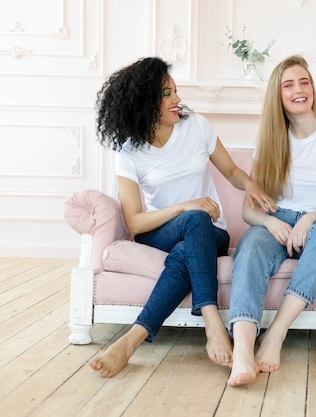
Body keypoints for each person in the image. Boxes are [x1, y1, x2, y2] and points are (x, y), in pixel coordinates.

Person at [88, 57, 275, 377]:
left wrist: (251, 185)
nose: (177, 100)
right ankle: (214, 322)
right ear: (145, 102)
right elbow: (134, 222)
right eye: (167, 93)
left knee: (192, 235)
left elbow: (230, 171)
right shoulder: (129, 151)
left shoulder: (197, 126)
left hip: (209, 233)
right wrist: (182, 206)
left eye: (176, 91)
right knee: (193, 217)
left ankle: (130, 342)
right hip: (159, 232)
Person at [227, 55, 316, 386]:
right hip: (279, 222)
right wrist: (272, 223)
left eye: (305, 82)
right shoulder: (272, 140)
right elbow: (249, 209)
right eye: (289, 85)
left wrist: (311, 217)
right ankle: (242, 348)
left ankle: (276, 334)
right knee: (253, 242)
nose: (299, 90)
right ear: (278, 94)